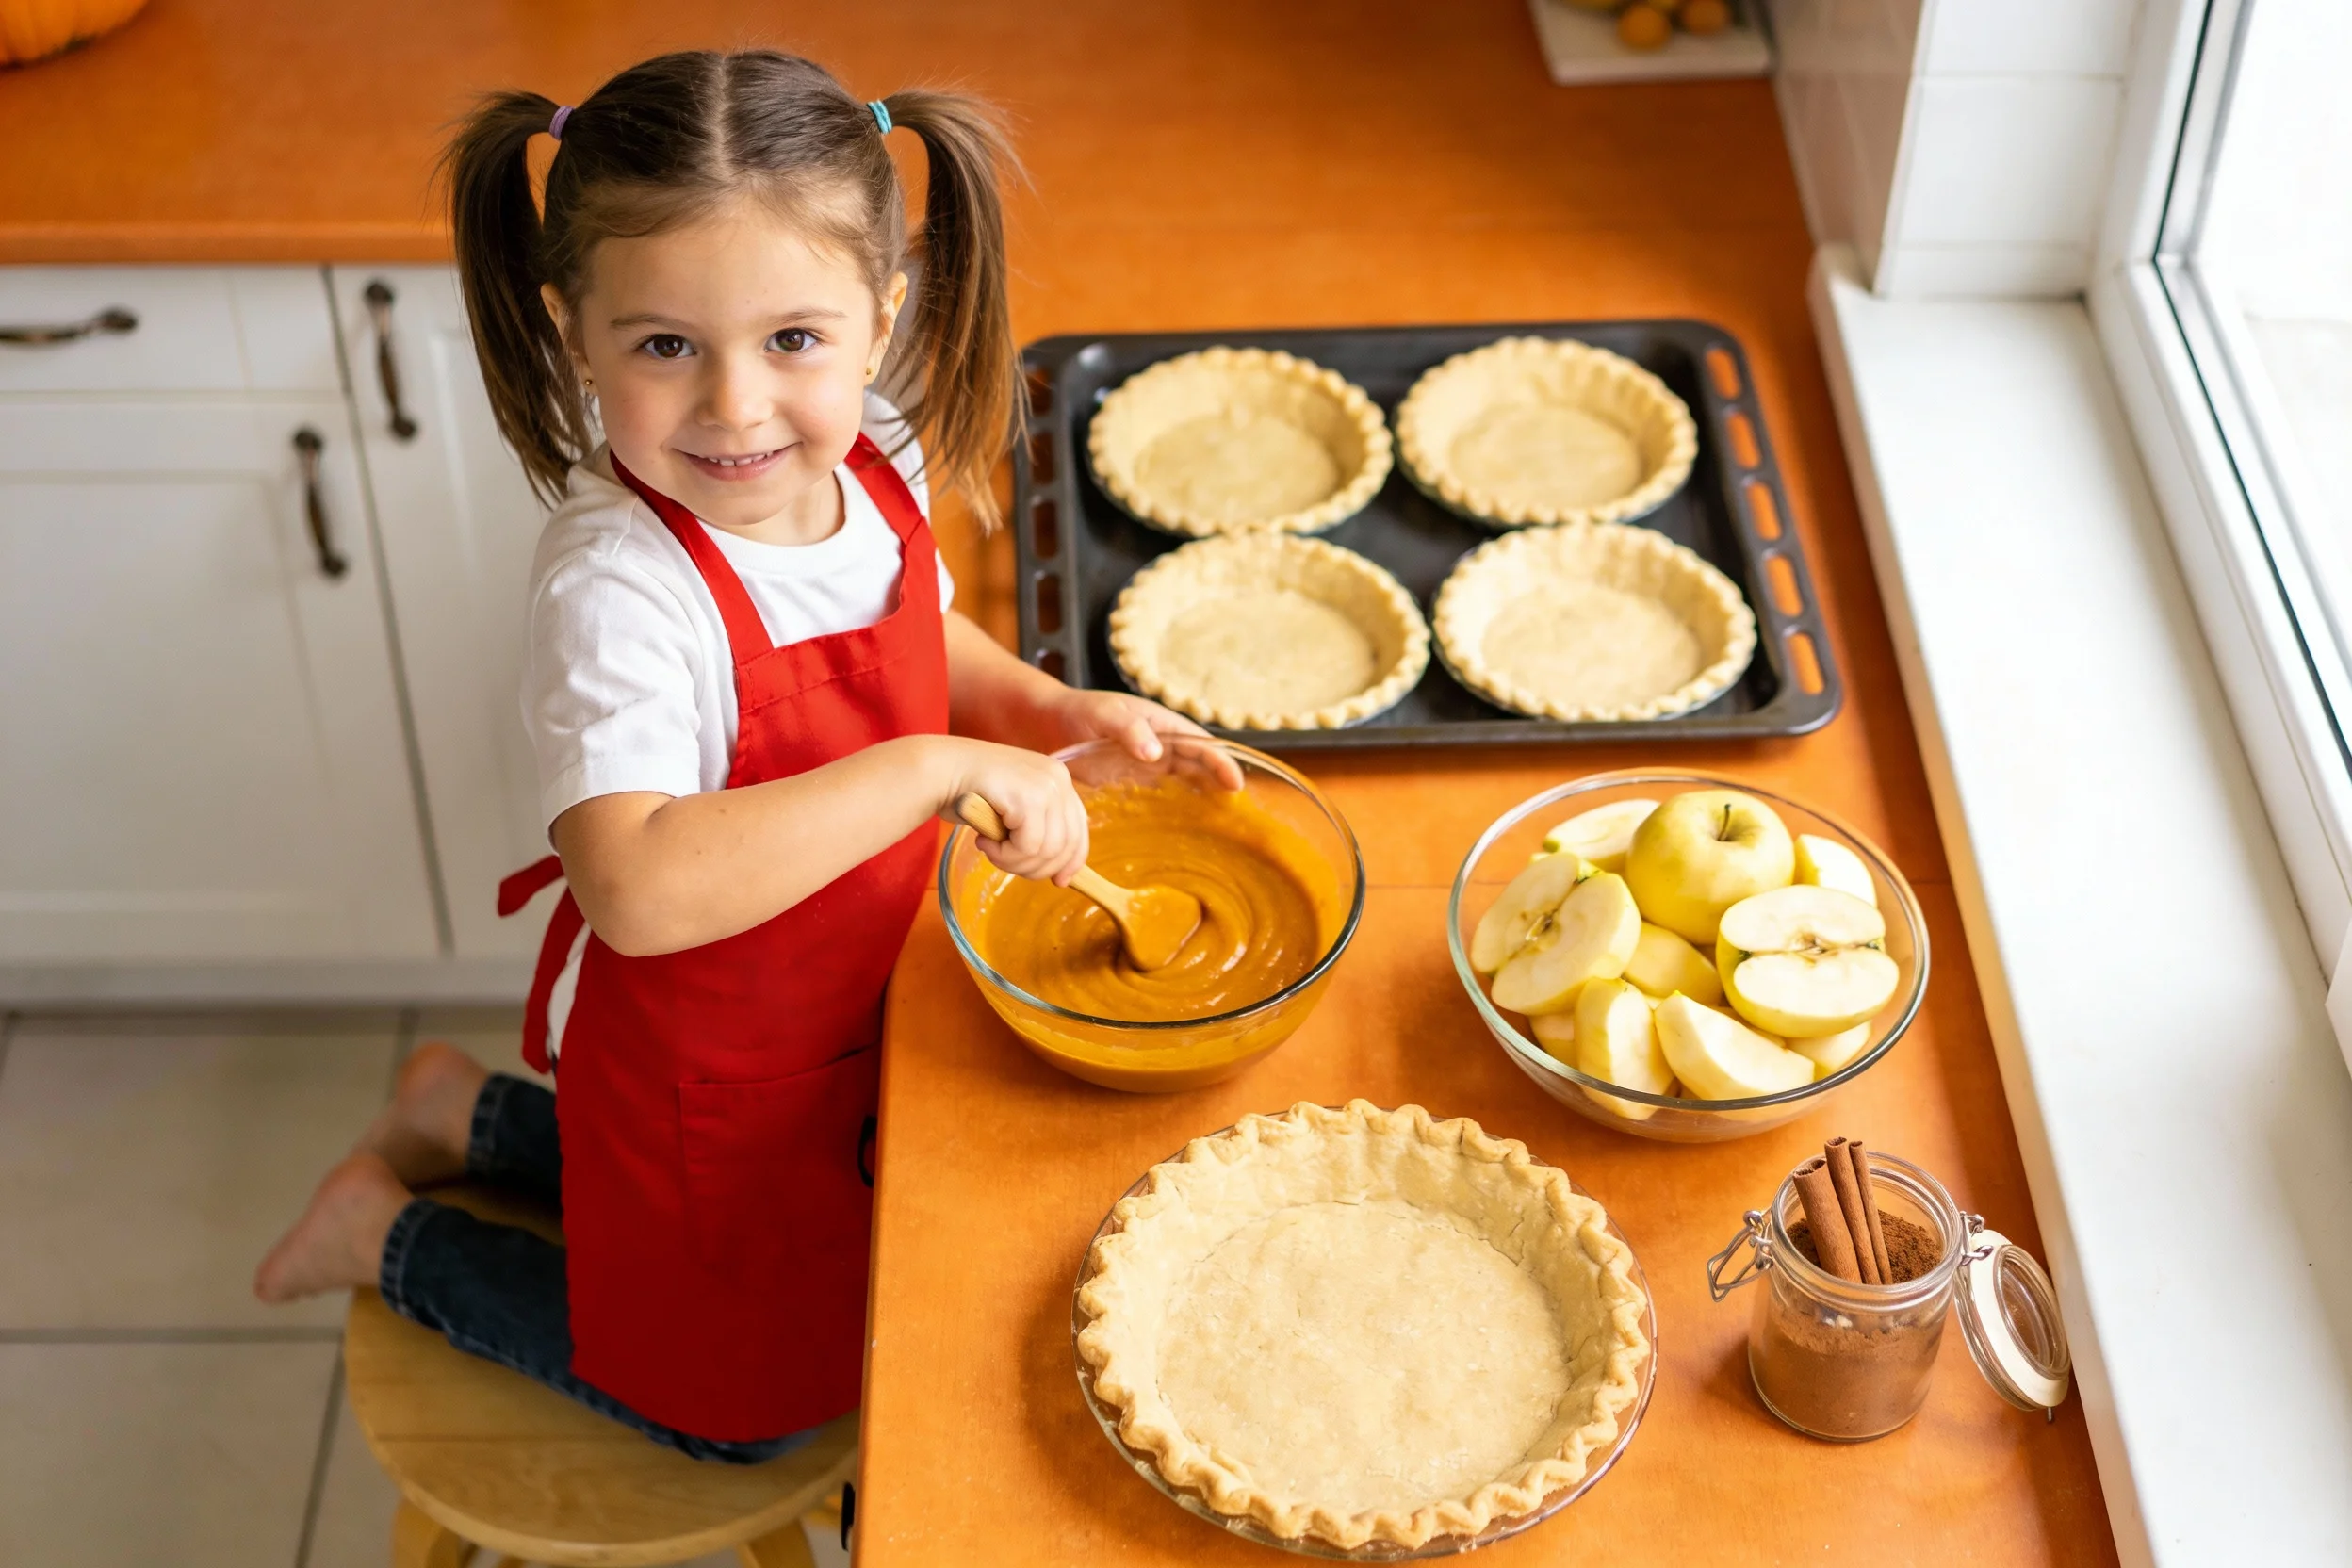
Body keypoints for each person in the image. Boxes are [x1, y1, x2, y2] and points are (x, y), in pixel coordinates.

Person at [253, 48, 1214, 1462]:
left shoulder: (866, 457)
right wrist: (937, 772)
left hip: (848, 1005)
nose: (738, 406)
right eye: (663, 346)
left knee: (833, 1247)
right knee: (732, 1413)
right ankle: (387, 1236)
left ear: (880, 318)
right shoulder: (618, 588)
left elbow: (918, 641)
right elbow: (636, 883)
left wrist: (1049, 714)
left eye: (793, 341)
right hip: (711, 1058)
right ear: (570, 330)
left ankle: (458, 1109)